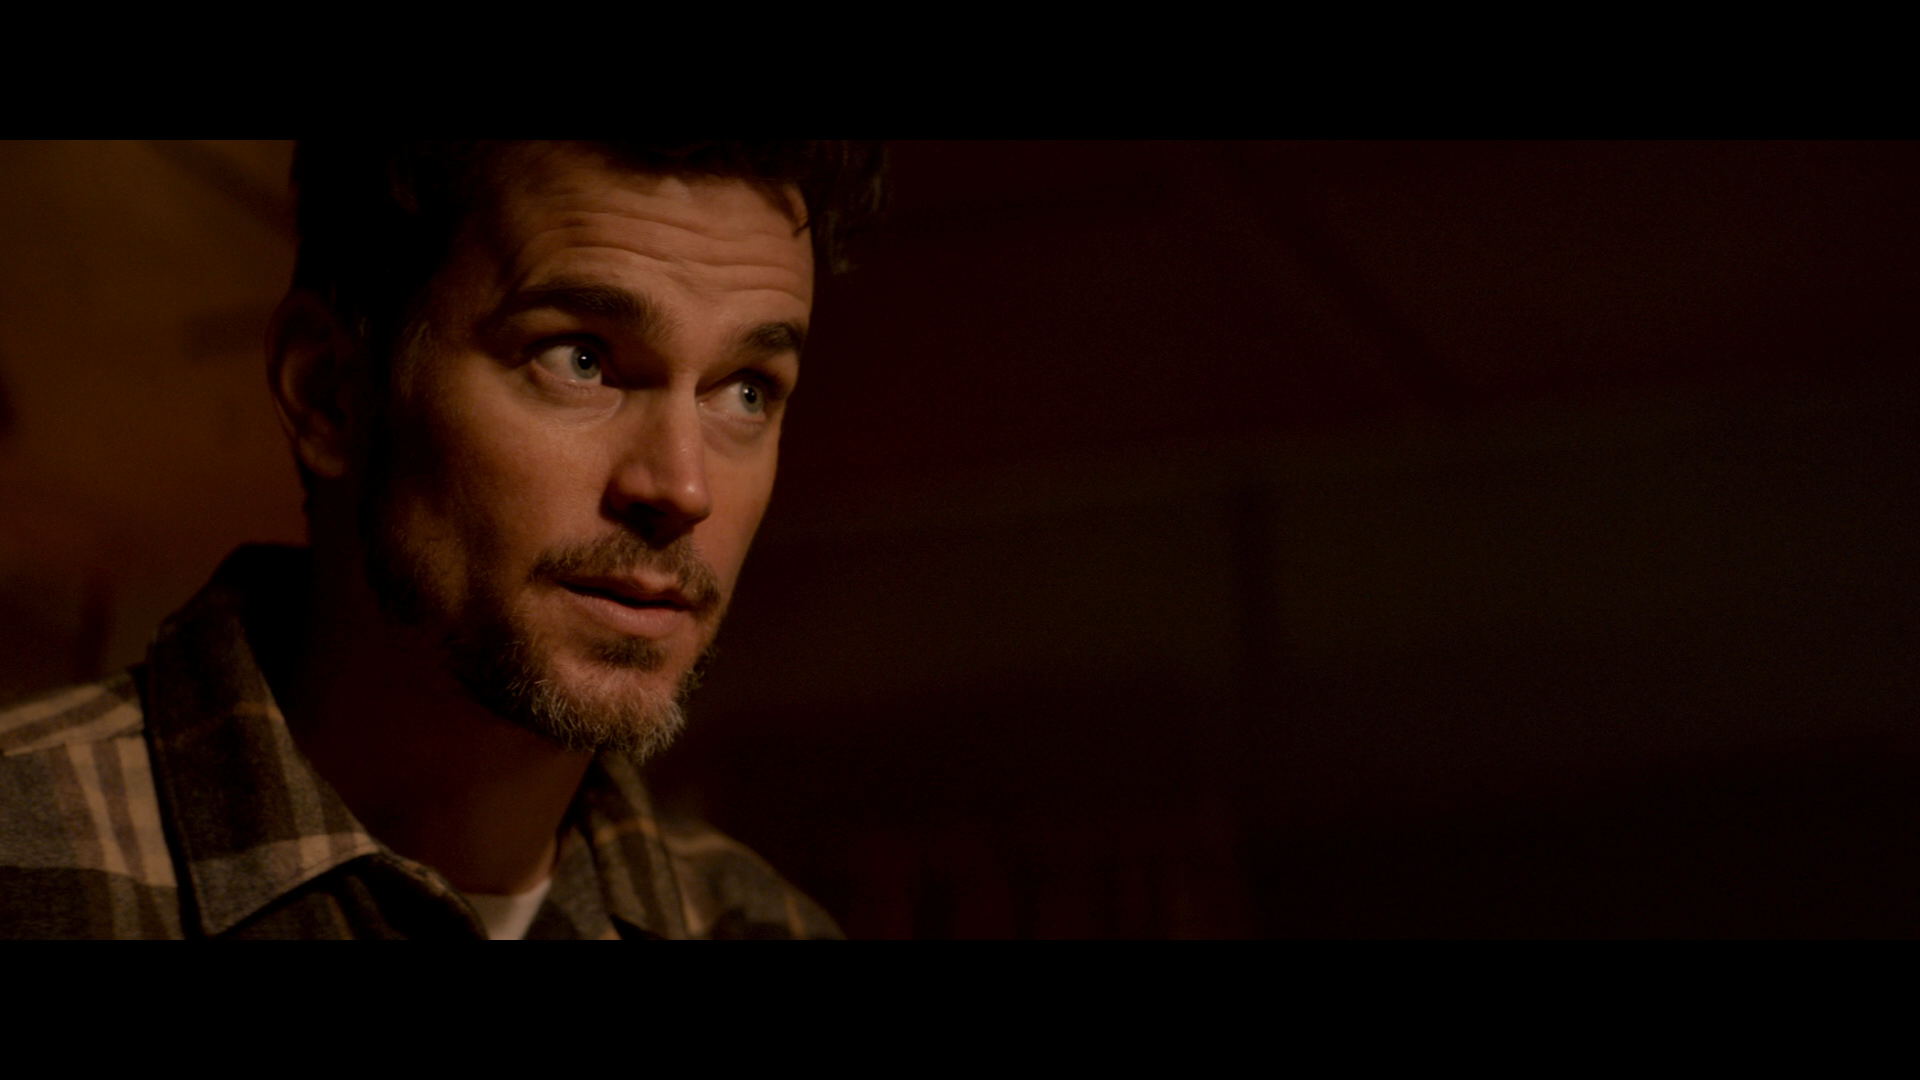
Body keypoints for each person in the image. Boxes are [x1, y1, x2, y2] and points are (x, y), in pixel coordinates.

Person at [0, 141, 884, 939]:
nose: (684, 490)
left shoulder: (765, 926)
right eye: (580, 358)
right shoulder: (22, 847)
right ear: (330, 391)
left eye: (746, 390)